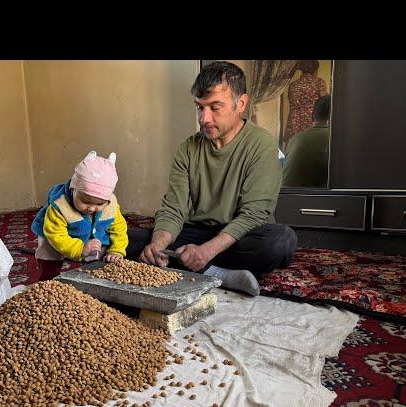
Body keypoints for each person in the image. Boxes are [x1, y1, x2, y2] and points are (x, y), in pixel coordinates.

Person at [126, 61, 297, 296]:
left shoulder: (262, 146)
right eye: (200, 107)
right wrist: (157, 245)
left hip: (240, 235)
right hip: (196, 232)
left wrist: (205, 251)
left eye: (215, 107)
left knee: (280, 242)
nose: (204, 119)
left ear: (242, 104)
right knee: (124, 238)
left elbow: (254, 214)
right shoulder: (188, 148)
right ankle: (216, 272)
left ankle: (199, 265)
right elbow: (173, 208)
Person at [31, 150, 128, 281]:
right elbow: (55, 234)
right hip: (54, 235)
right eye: (85, 202)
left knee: (99, 248)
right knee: (48, 253)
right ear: (73, 189)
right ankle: (48, 280)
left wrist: (117, 250)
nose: (91, 208)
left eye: (99, 204)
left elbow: (119, 229)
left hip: (91, 233)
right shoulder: (60, 205)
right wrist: (80, 248)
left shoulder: (111, 206)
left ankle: (91, 279)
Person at [283, 95, 331, 188]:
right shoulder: (334, 138)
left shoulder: (295, 138)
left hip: (286, 199)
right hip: (314, 200)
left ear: (312, 117)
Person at [282, 60, 327, 147]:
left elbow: (292, 103)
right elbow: (323, 103)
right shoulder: (319, 83)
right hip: (311, 123)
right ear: (316, 70)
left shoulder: (293, 85)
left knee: (294, 151)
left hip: (294, 124)